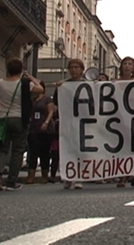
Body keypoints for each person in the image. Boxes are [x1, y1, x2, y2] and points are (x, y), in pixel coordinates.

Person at [0, 58, 43, 191]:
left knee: (1, 148)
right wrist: (31, 78)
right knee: (17, 150)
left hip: (2, 118)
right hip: (20, 119)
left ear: (8, 69)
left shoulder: (0, 83)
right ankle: (11, 181)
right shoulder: (25, 83)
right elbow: (40, 89)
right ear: (21, 70)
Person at [53, 58, 85, 190]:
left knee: (80, 149)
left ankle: (79, 177)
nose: (74, 70)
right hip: (68, 121)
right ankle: (67, 176)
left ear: (82, 70)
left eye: (77, 67)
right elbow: (56, 103)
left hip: (83, 122)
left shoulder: (87, 85)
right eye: (71, 67)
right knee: (68, 148)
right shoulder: (63, 86)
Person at [115, 57, 134, 188]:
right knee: (122, 147)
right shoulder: (114, 83)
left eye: (130, 64)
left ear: (133, 67)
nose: (127, 66)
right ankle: (123, 176)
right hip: (118, 119)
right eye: (125, 64)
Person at [26, 81, 55, 184]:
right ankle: (31, 176)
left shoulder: (47, 99)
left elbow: (51, 111)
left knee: (44, 153)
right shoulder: (32, 100)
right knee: (33, 152)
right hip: (33, 128)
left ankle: (44, 175)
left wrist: (46, 122)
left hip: (45, 129)